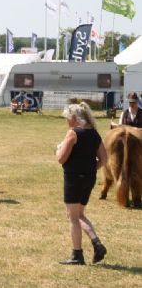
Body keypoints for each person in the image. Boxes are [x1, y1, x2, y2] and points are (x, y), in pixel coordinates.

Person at [56, 102, 107, 265]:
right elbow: (104, 159)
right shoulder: (94, 133)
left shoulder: (72, 133)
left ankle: (77, 254)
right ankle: (97, 244)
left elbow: (61, 159)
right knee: (79, 214)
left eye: (67, 118)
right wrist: (90, 170)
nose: (66, 121)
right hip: (89, 178)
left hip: (73, 178)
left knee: (72, 217)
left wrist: (58, 148)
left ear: (73, 118)